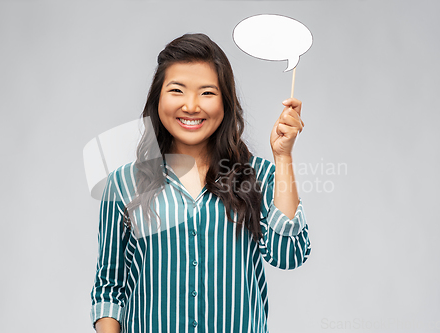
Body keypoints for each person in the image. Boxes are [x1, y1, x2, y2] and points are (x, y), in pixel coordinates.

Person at [90, 33, 310, 333]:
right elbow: (109, 287)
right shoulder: (123, 184)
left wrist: (283, 157)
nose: (191, 106)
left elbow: (289, 253)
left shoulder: (257, 176)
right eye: (177, 90)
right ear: (158, 99)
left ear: (226, 102)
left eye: (207, 93)